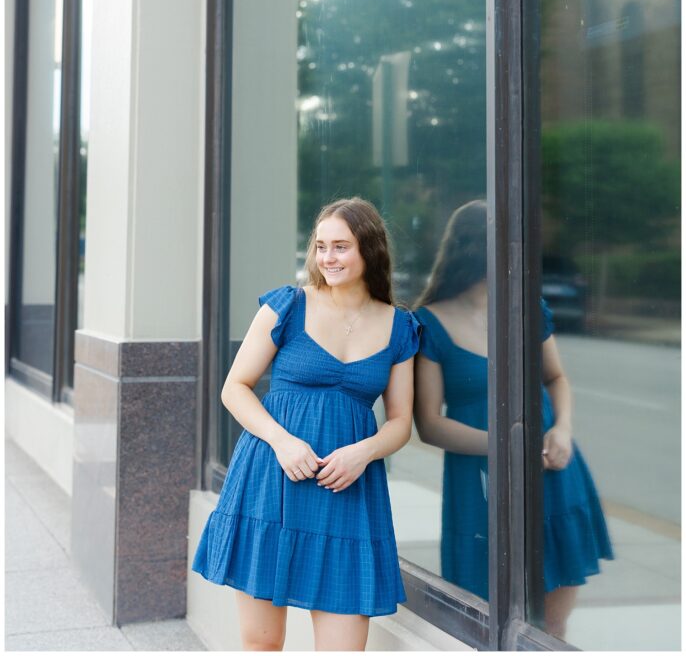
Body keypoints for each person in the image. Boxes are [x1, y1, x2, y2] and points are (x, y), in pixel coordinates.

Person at [192, 197, 421, 652]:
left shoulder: (400, 327)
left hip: (348, 491)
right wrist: (281, 441)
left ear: (369, 250)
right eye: (320, 247)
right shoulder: (288, 306)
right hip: (272, 479)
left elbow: (400, 422)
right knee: (262, 644)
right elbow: (234, 387)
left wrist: (364, 451)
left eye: (341, 247)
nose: (327, 258)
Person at [412, 200, 613, 640]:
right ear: (475, 248)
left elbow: (556, 377)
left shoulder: (527, 306)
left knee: (552, 624)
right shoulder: (428, 323)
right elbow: (427, 423)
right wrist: (502, 446)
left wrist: (562, 429)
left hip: (551, 471)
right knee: (482, 623)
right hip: (480, 482)